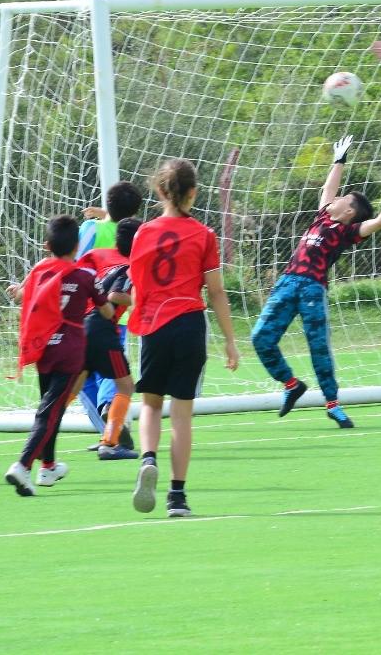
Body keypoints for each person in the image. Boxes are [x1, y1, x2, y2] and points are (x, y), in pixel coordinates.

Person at [252, 135, 381, 429]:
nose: (335, 200)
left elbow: (378, 223)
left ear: (349, 211)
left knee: (318, 348)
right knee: (260, 338)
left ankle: (333, 405)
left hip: (312, 288)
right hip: (287, 283)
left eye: (342, 199)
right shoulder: (321, 217)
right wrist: (339, 160)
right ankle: (290, 384)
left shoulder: (346, 232)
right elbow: (328, 188)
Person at [128, 159, 240, 517]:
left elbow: (137, 286)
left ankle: (148, 459)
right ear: (194, 192)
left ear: (159, 191)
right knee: (182, 414)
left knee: (150, 404)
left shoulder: (143, 233)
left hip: (156, 326)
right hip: (189, 324)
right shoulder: (204, 235)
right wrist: (230, 339)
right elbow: (217, 291)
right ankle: (177, 496)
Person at [3, 216, 114, 496]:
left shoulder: (40, 270)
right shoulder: (84, 275)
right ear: (77, 245)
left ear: (46, 245)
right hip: (70, 350)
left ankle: (48, 466)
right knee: (50, 411)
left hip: (43, 347)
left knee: (51, 408)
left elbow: (24, 293)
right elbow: (107, 310)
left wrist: (18, 291)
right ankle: (23, 465)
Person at [76, 181, 145, 445]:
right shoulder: (136, 233)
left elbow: (75, 260)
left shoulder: (90, 229)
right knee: (112, 370)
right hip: (119, 315)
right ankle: (110, 419)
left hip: (85, 311)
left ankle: (105, 423)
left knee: (84, 376)